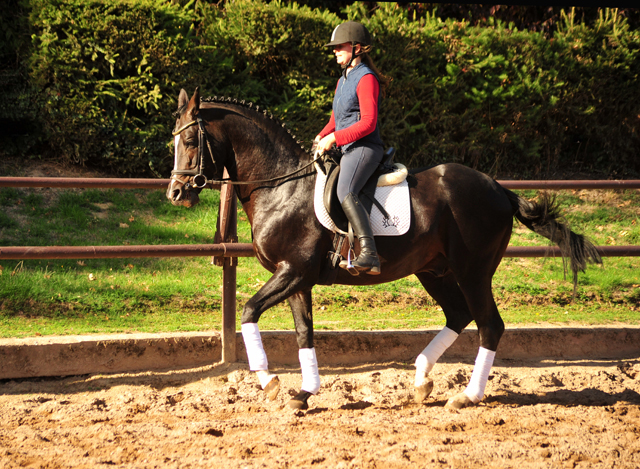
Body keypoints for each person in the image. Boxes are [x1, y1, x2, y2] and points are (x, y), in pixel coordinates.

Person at [315, 21, 389, 276]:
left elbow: (368, 122)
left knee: (345, 189)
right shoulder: (343, 79)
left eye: (340, 47)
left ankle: (369, 252)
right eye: (333, 48)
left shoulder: (366, 78)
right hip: (347, 148)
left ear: (357, 48)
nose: (335, 51)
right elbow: (336, 119)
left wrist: (334, 138)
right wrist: (322, 135)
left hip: (365, 148)